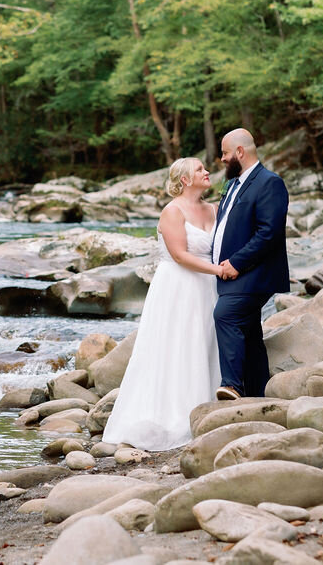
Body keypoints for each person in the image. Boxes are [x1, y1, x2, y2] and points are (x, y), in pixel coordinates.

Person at [102, 157, 223, 450]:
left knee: (204, 343)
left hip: (207, 287)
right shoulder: (172, 211)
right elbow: (180, 255)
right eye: (200, 169)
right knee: (177, 346)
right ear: (184, 179)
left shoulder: (215, 208)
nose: (207, 172)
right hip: (178, 287)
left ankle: (207, 408)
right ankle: (173, 416)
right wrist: (219, 270)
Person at [211, 128, 290, 400]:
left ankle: (232, 385)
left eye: (224, 153)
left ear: (240, 152)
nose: (221, 159)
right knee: (249, 330)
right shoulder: (234, 184)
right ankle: (259, 392)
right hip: (232, 272)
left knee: (226, 314)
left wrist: (236, 263)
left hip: (254, 271)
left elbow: (269, 232)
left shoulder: (269, 182)